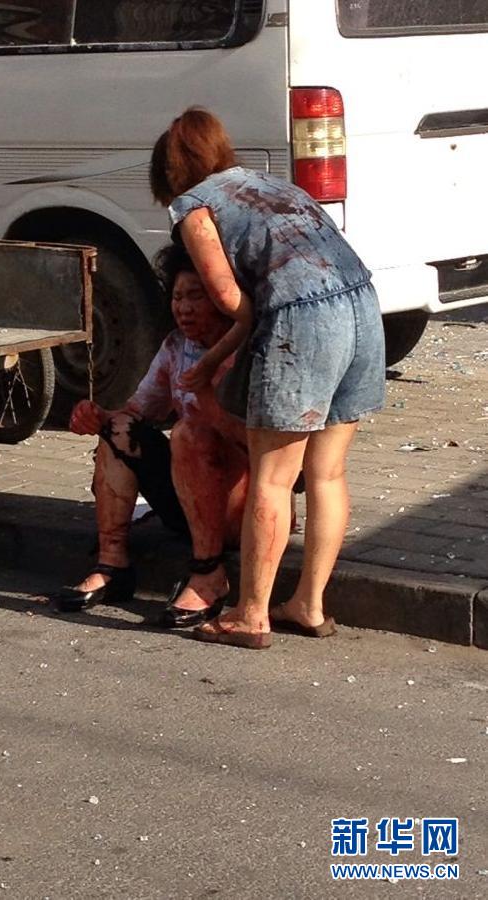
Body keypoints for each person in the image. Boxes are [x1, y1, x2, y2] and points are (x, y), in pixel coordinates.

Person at [150, 108, 386, 649]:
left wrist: (207, 364)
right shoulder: (271, 185)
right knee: (327, 472)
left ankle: (249, 612)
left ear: (168, 170)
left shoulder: (194, 207)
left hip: (305, 319)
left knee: (273, 477)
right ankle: (307, 603)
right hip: (361, 306)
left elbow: (236, 306)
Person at [53, 244, 253, 627]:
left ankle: (208, 571)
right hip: (187, 502)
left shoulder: (249, 353)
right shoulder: (176, 347)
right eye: (178, 297)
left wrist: (208, 406)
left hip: (239, 509)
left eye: (196, 296)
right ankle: (112, 564)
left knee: (188, 433)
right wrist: (97, 416)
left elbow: (273, 456)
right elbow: (137, 411)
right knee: (120, 430)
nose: (184, 308)